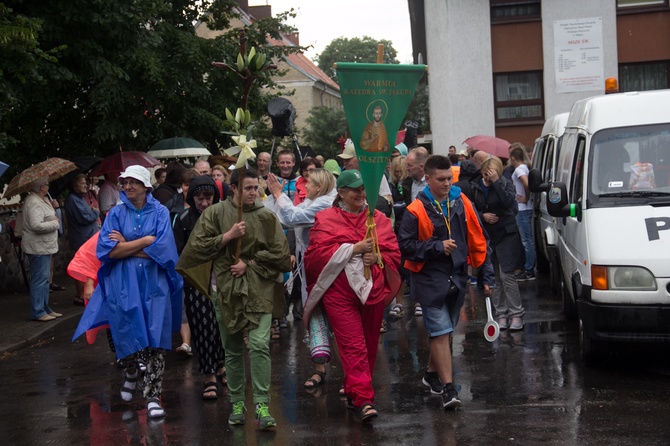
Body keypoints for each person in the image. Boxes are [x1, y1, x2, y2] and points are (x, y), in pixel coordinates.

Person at [176, 167, 291, 430]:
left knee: (260, 344)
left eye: (256, 187)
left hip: (259, 289)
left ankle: (262, 404)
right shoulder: (215, 214)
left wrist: (249, 263)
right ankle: (238, 402)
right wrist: (227, 237)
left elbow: (281, 256)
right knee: (233, 349)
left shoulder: (266, 217)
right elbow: (194, 250)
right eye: (248, 188)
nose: (253, 192)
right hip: (226, 291)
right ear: (234, 188)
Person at [73, 165, 183, 420]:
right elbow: (108, 251)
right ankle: (131, 370)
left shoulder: (160, 212)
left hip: (154, 283)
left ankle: (153, 395)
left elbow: (164, 252)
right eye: (124, 182)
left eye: (134, 182)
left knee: (155, 337)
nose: (128, 186)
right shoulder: (115, 213)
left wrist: (127, 244)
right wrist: (145, 242)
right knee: (126, 329)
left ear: (146, 186)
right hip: (123, 282)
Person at [303, 169, 401, 423]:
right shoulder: (325, 219)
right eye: (354, 189)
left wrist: (377, 257)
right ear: (341, 193)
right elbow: (314, 259)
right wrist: (352, 249)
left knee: (368, 346)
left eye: (363, 189)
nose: (360, 193)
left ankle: (355, 386)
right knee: (353, 345)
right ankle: (363, 399)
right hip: (339, 294)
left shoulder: (377, 219)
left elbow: (393, 255)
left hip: (373, 291)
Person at [398, 154, 494, 409]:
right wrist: (436, 247)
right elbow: (405, 248)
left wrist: (486, 274)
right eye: (441, 179)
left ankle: (431, 375)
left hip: (457, 276)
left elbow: (479, 239)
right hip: (429, 279)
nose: (447, 183)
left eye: (449, 178)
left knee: (446, 332)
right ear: (427, 179)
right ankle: (450, 389)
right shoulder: (414, 211)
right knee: (440, 332)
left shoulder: (461, 201)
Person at [264, 168, 337, 390]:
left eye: (310, 184)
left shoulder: (326, 203)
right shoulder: (311, 202)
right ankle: (319, 369)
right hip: (310, 270)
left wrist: (278, 194)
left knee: (337, 319)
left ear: (320, 186)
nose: (305, 188)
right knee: (313, 314)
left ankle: (350, 375)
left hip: (327, 269)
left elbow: (293, 216)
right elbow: (283, 219)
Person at [173, 176, 226, 400]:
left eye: (208, 197)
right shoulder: (183, 219)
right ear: (191, 198)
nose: (204, 203)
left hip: (222, 279)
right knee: (203, 327)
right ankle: (208, 376)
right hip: (196, 282)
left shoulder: (224, 217)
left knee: (222, 326)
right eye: (199, 197)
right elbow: (178, 252)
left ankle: (222, 365)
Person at [465, 156, 525, 331]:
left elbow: (509, 205)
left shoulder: (504, 183)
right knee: (494, 277)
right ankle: (501, 314)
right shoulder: (476, 186)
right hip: (488, 235)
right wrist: (482, 216)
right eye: (485, 175)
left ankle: (516, 313)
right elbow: (472, 208)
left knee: (507, 275)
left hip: (506, 233)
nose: (487, 179)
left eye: (490, 175)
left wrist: (497, 183)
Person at [22, 177, 62, 321]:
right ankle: (38, 311)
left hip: (44, 246)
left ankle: (45, 308)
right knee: (39, 280)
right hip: (38, 247)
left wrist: (54, 208)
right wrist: (55, 224)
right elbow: (36, 225)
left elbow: (47, 217)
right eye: (46, 185)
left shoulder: (42, 200)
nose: (48, 187)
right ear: (41, 188)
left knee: (45, 280)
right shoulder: (33, 202)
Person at [64, 173, 101, 305]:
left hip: (86, 237)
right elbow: (86, 217)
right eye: (82, 183)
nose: (85, 185)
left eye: (85, 182)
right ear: (75, 185)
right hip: (81, 238)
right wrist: (96, 212)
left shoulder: (80, 198)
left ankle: (83, 294)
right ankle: (80, 296)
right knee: (82, 267)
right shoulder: (73, 199)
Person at [337, 140, 393, 217]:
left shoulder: (375, 174)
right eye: (343, 160)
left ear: (360, 158)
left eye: (348, 159)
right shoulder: (343, 176)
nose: (345, 162)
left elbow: (389, 200)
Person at [509, 145, 535, 281]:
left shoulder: (519, 169)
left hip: (523, 209)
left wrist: (525, 197)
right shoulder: (525, 167)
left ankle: (529, 270)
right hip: (525, 208)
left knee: (526, 241)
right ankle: (528, 267)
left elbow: (526, 183)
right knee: (527, 240)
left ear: (513, 158)